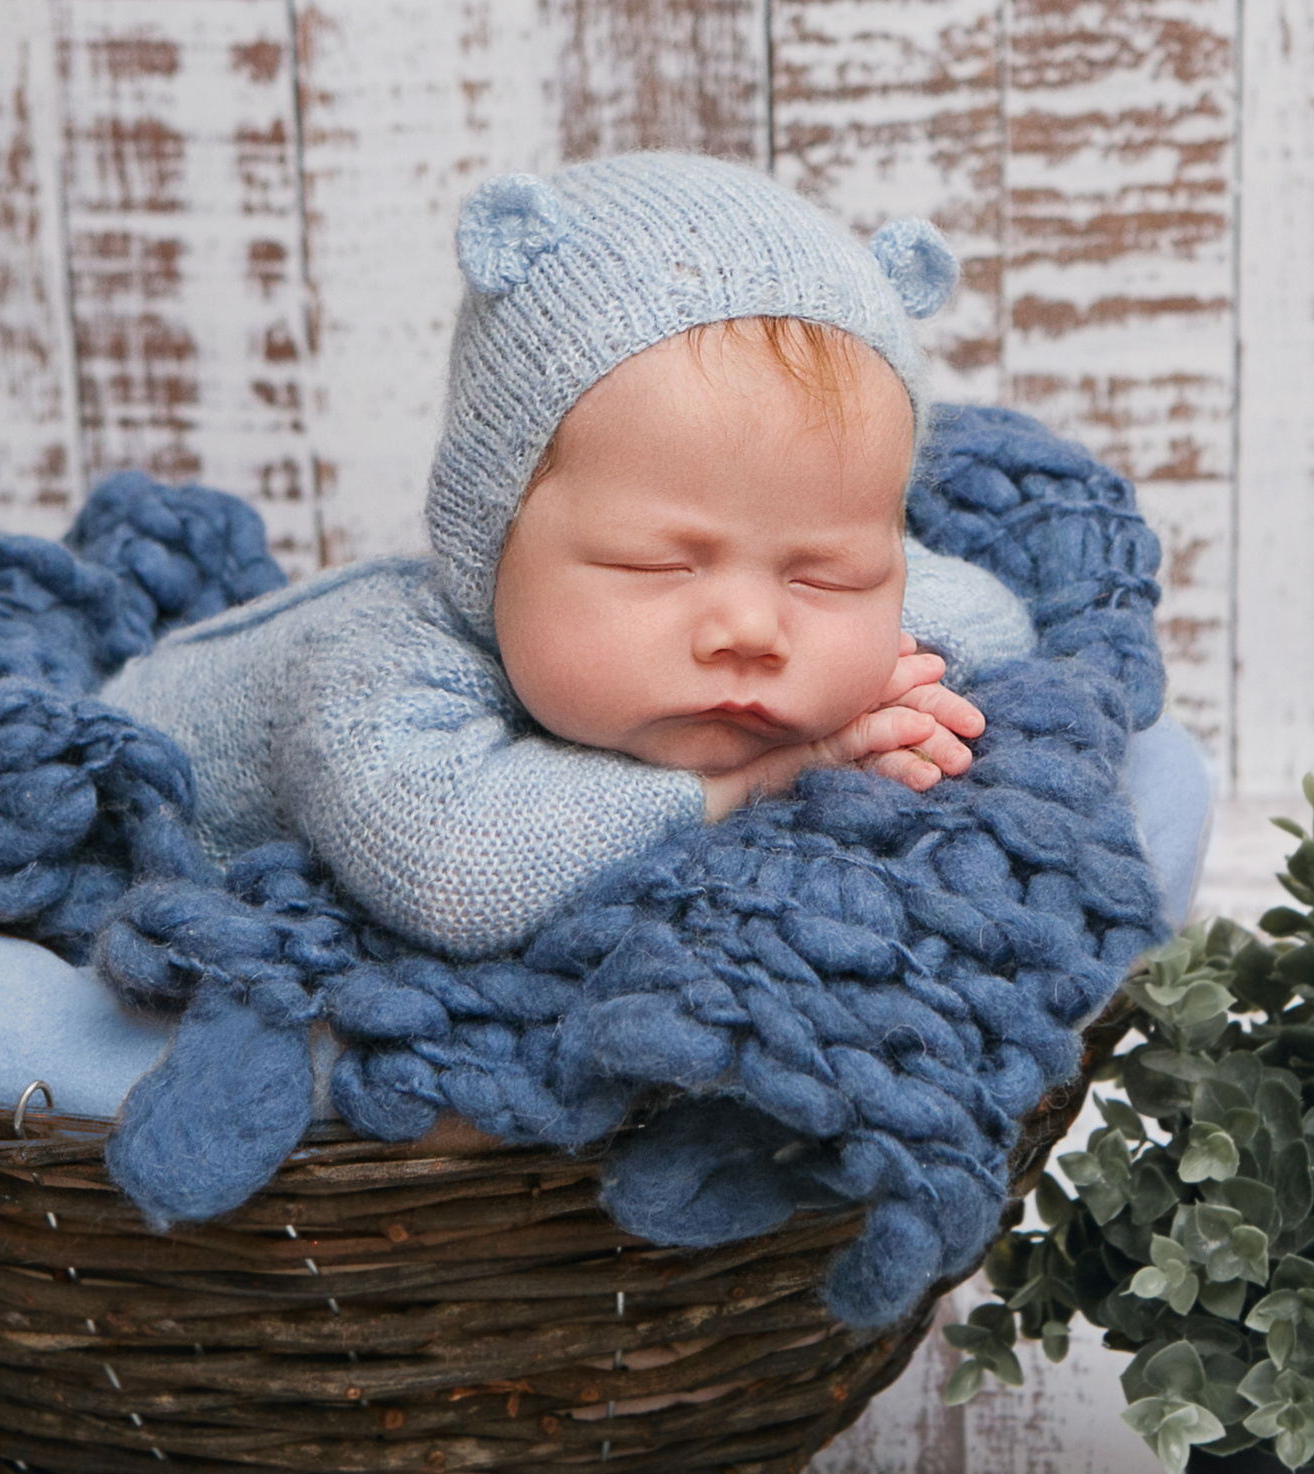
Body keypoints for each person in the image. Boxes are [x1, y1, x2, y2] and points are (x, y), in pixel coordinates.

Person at [98, 151, 1041, 959]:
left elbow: (987, 612)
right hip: (115, 797)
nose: (754, 628)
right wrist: (780, 770)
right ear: (495, 533)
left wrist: (886, 670)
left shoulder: (829, 586)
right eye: (658, 567)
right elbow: (458, 872)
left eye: (824, 575)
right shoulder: (370, 667)